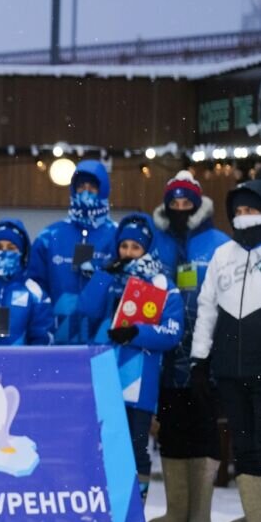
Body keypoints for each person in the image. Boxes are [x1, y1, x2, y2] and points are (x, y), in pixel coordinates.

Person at [78, 213, 183, 504]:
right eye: (123, 246)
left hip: (140, 378)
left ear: (146, 249)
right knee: (103, 444)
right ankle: (102, 508)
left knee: (136, 446)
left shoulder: (163, 284)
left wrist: (136, 333)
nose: (128, 253)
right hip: (105, 371)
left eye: (135, 248)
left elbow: (172, 331)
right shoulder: (110, 276)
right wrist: (104, 275)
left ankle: (135, 511)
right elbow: (86, 309)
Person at [147, 171, 229, 522]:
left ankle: (201, 516)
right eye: (174, 203)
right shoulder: (154, 243)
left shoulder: (220, 245)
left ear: (198, 205)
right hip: (165, 357)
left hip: (206, 357)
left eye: (187, 203)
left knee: (205, 430)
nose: (180, 209)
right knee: (171, 431)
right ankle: (176, 512)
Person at [191, 179, 261, 522]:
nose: (243, 217)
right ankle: (256, 517)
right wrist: (199, 358)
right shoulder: (223, 254)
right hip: (230, 369)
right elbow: (207, 308)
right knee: (244, 444)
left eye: (250, 210)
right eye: (237, 211)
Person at [28, 159, 118, 344]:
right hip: (57, 341)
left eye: (92, 187)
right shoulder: (50, 236)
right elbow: (35, 289)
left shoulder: (117, 237)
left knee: (102, 374)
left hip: (104, 341)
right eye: (81, 186)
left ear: (103, 190)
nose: (86, 192)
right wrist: (44, 332)